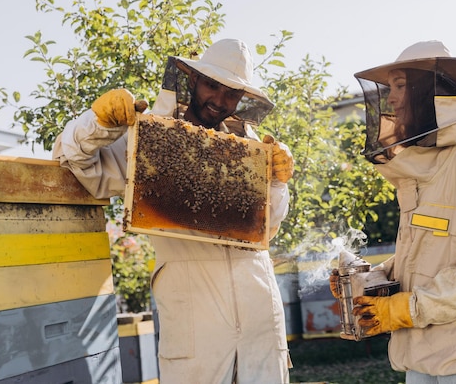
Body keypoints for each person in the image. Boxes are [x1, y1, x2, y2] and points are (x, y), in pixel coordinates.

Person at [53, 38, 294, 384]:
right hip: (195, 316)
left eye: (231, 94)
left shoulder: (250, 152)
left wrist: (278, 182)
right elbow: (72, 159)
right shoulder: (150, 139)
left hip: (259, 307)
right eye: (213, 85)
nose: (220, 101)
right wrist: (98, 121)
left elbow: (268, 228)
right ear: (194, 80)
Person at [331, 40, 456, 383]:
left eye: (400, 85)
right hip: (420, 357)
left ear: (430, 91)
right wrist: (367, 282)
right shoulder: (424, 170)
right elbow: (422, 260)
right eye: (389, 87)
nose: (390, 98)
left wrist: (405, 309)